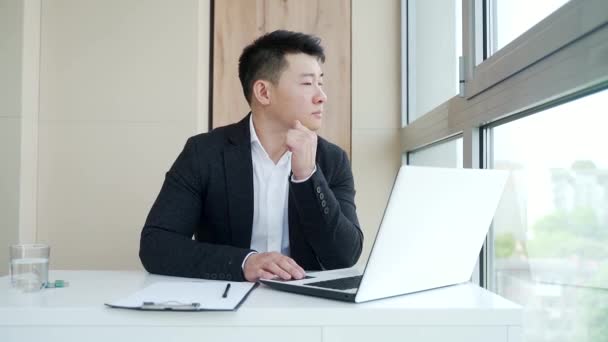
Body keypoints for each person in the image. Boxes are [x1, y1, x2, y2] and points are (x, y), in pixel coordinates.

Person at [139, 30, 363, 282]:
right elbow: (156, 244)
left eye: (320, 82)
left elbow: (345, 256)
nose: (321, 96)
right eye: (307, 83)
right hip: (224, 300)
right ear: (264, 92)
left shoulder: (332, 160)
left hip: (305, 306)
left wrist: (308, 176)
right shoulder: (204, 152)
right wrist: (244, 262)